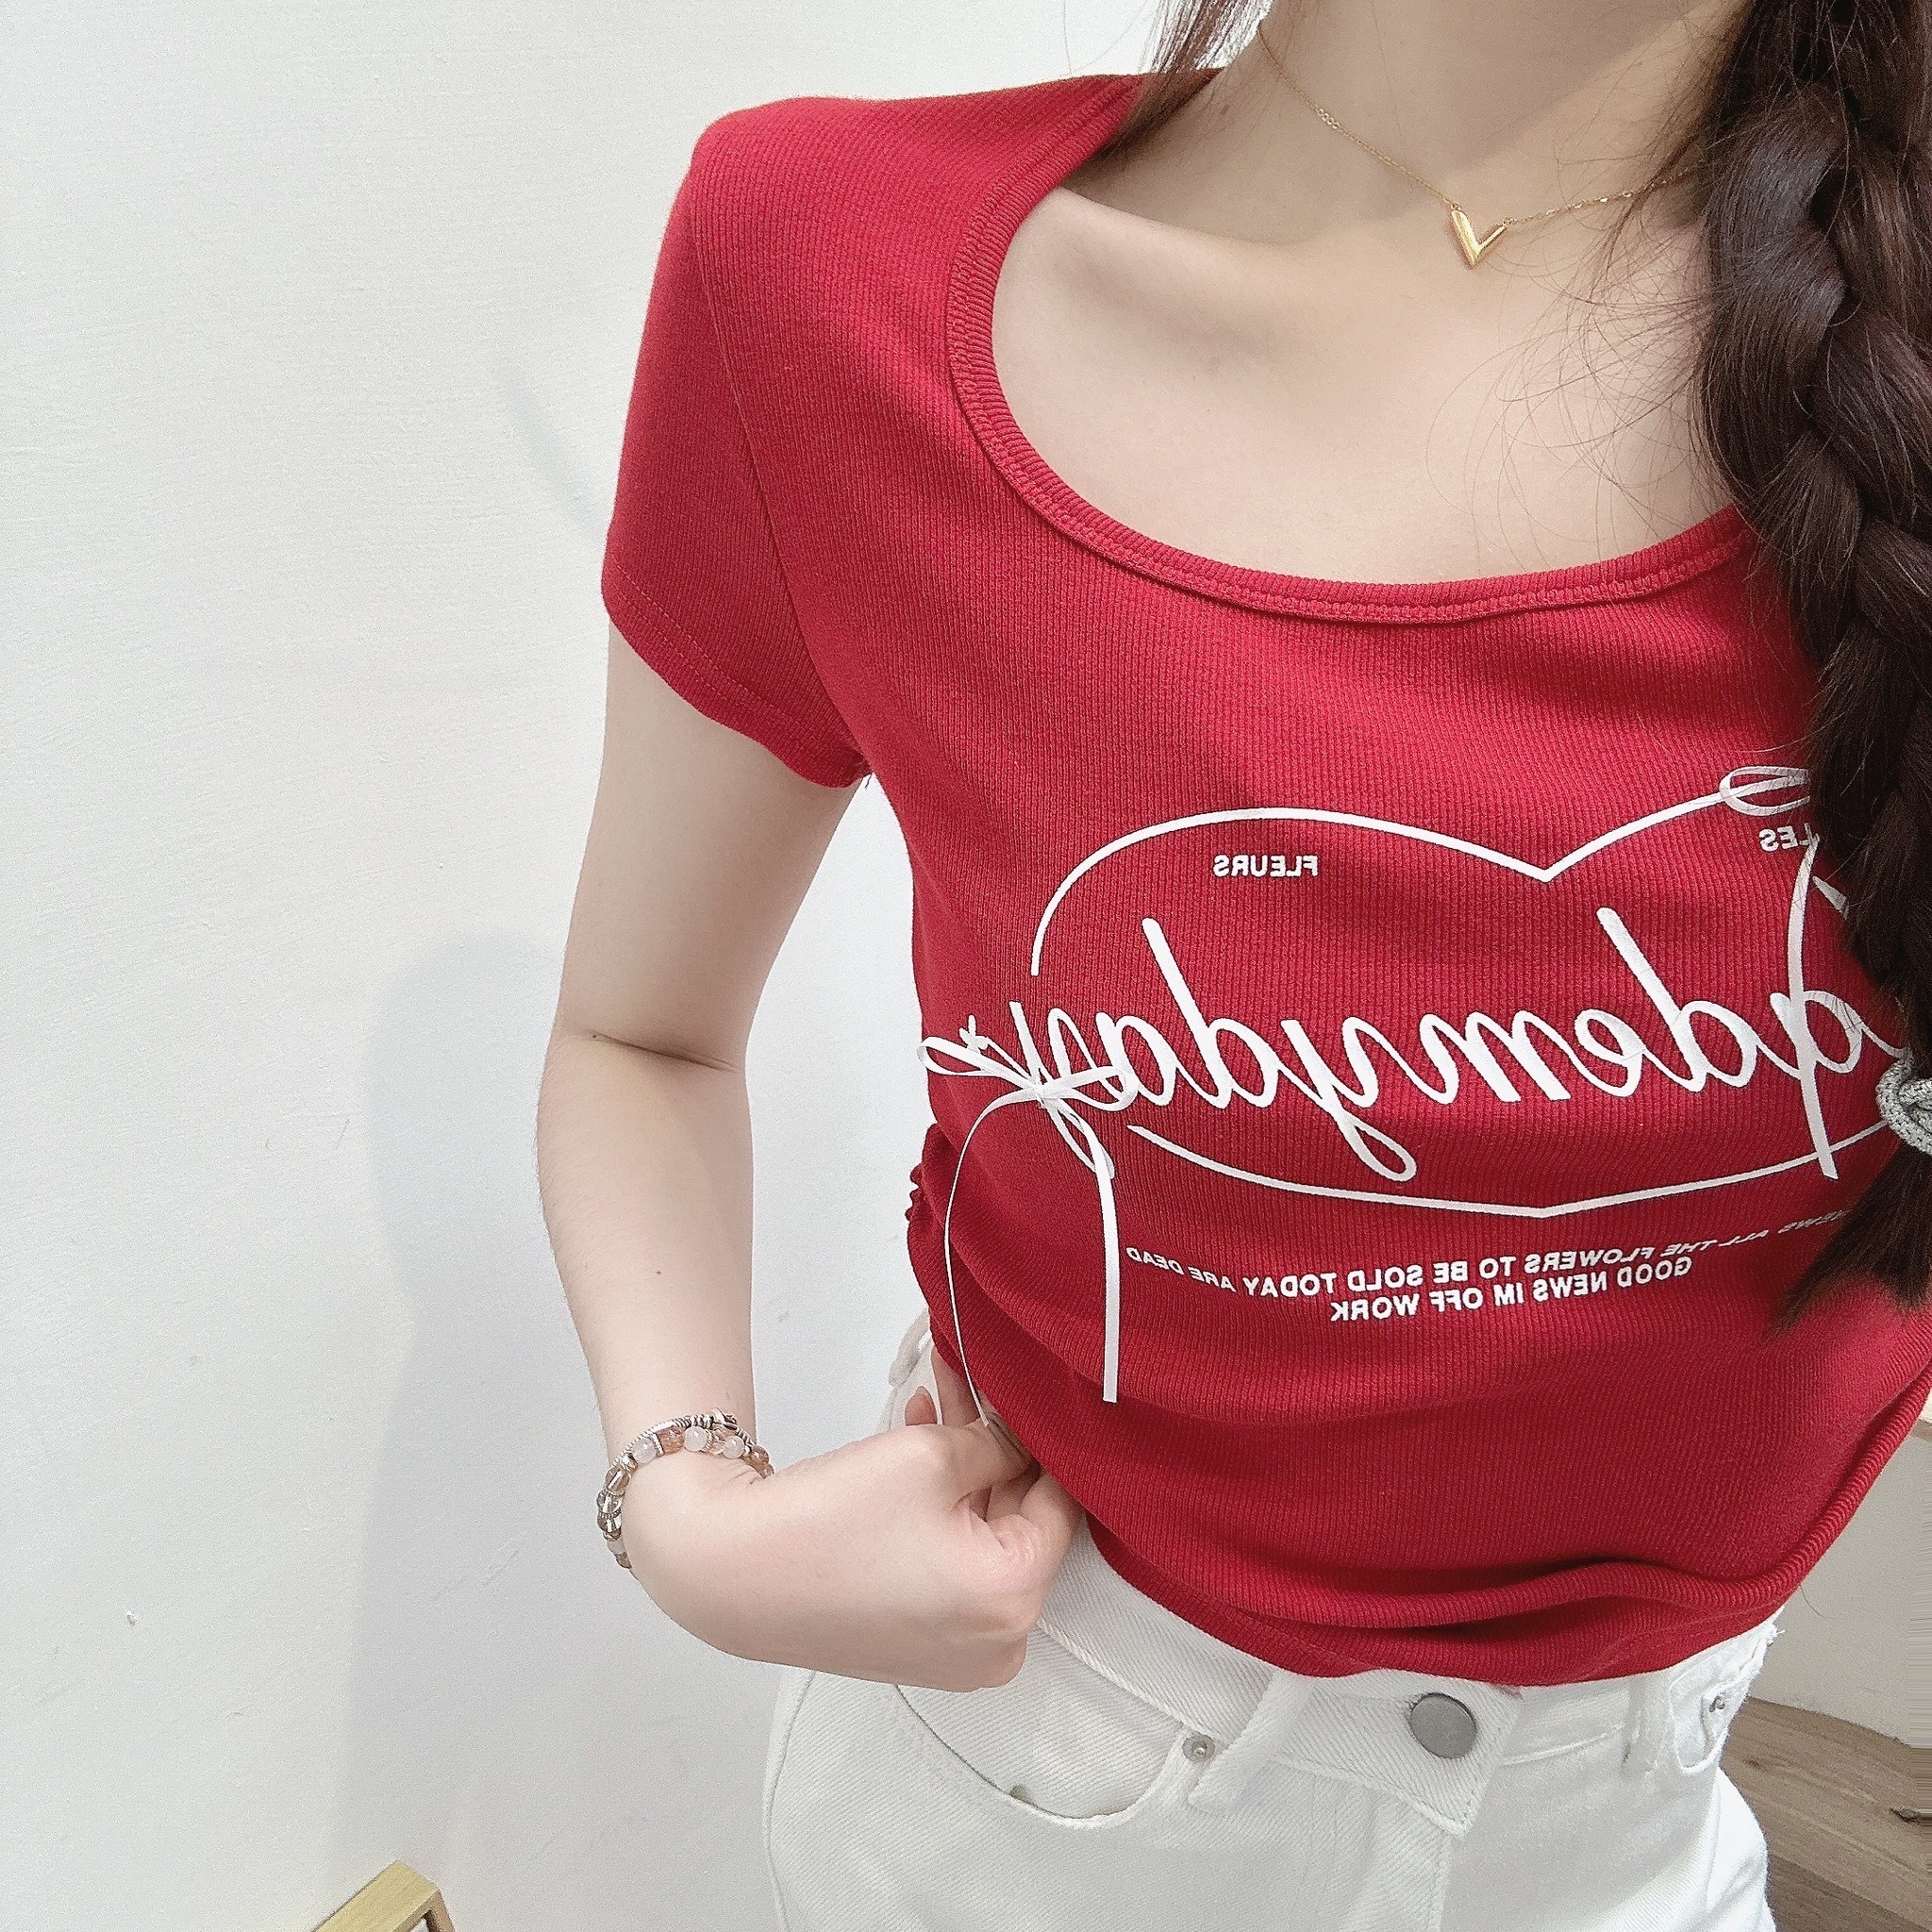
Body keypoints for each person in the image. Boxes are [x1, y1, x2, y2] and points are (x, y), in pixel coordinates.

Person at [535, 0, 1932, 1924]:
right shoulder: (823, 265)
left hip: (1637, 1829)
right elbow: (642, 1034)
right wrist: (688, 1508)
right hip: (1043, 1794)